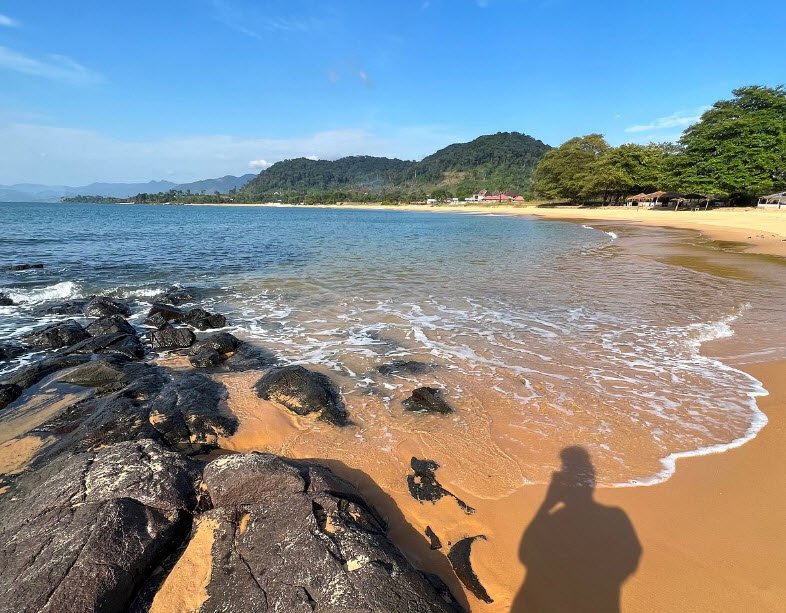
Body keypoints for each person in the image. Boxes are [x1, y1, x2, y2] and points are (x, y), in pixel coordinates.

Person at [512, 446, 641, 612]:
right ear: (592, 479)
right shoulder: (616, 516)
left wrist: (548, 502)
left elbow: (525, 553)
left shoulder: (555, 520)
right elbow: (632, 556)